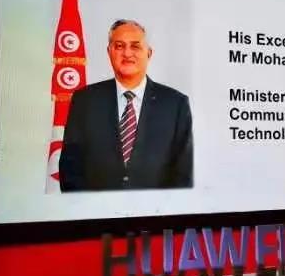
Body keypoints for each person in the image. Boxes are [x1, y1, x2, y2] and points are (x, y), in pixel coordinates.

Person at [59, 19, 193, 191]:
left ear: (149, 53)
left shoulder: (176, 104)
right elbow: (70, 170)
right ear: (109, 52)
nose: (127, 53)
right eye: (119, 46)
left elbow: (184, 175)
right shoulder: (84, 101)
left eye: (135, 46)